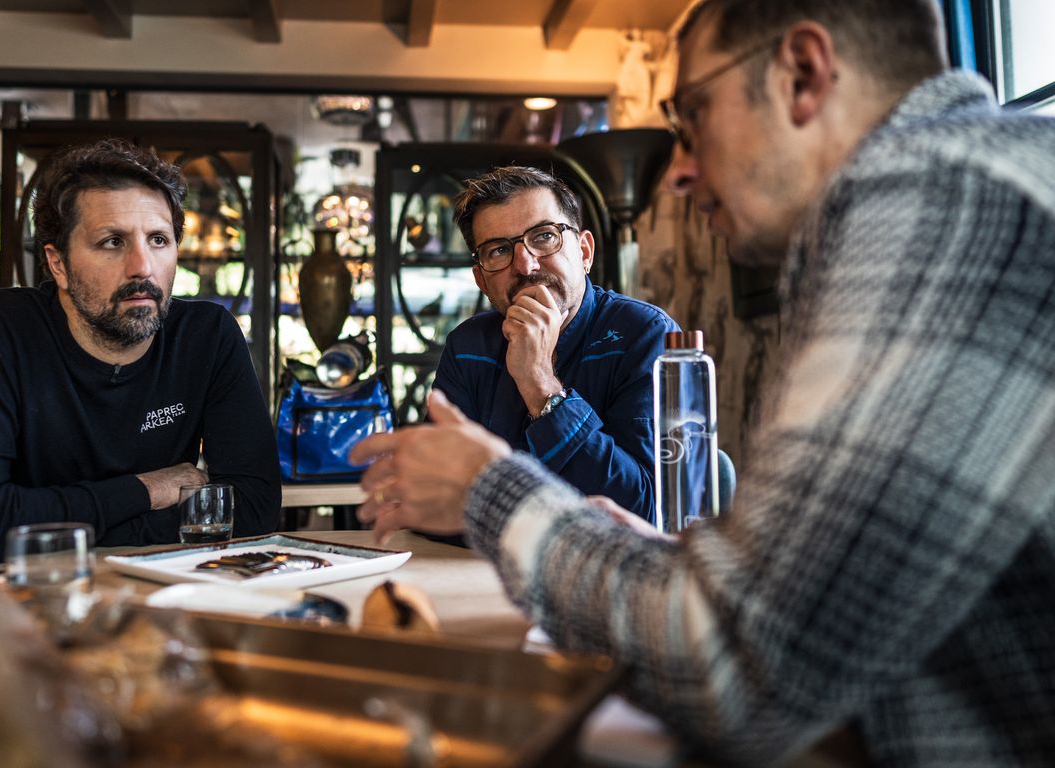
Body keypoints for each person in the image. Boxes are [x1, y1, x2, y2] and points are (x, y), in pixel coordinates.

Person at [351, 0, 1055, 764]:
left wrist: (491, 487)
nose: (679, 172)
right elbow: (810, 611)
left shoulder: (947, 209)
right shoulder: (970, 186)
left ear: (803, 75)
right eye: (497, 253)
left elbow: (737, 667)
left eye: (691, 117)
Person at [0, 139, 281, 563]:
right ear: (58, 264)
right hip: (23, 604)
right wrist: (146, 490)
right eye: (112, 241)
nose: (142, 267)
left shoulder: (207, 336)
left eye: (159, 240)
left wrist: (64, 527)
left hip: (160, 598)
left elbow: (254, 510)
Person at [433, 165, 680, 524]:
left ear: (584, 252)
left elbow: (645, 512)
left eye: (544, 236)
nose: (525, 264)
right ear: (482, 281)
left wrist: (540, 383)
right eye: (499, 250)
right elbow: (436, 500)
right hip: (476, 574)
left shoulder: (646, 336)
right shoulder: (467, 347)